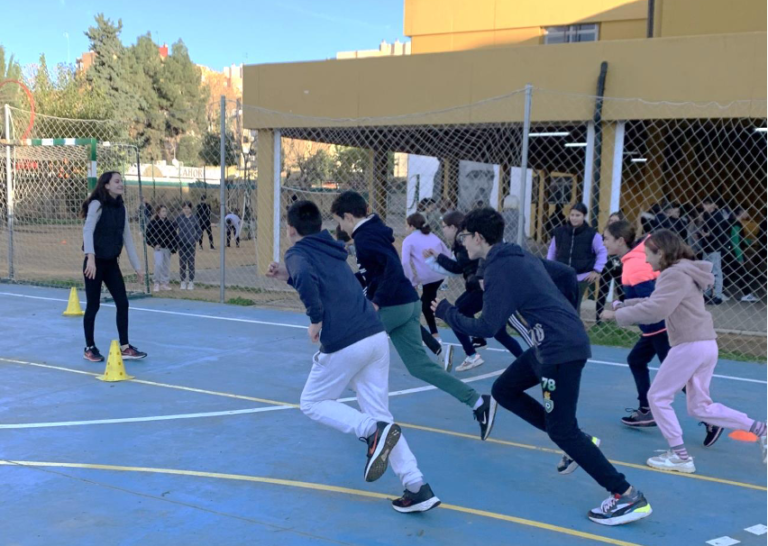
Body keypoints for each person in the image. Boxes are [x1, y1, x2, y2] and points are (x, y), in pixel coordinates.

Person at [433, 208, 652, 526]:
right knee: (504, 390)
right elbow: (563, 274)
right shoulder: (514, 256)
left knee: (563, 429)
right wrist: (564, 313)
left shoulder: (500, 269)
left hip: (559, 350)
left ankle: (627, 495)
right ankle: (580, 442)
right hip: (550, 344)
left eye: (464, 235)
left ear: (478, 237)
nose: (461, 241)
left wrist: (446, 312)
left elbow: (486, 326)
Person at [266, 201, 440, 513]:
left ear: (290, 229)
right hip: (374, 338)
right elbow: (322, 281)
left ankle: (369, 431)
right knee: (381, 414)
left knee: (313, 403)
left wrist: (315, 319)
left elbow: (306, 277)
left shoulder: (297, 252)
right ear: (320, 224)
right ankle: (417, 486)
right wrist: (286, 276)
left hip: (346, 341)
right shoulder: (332, 249)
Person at [331, 191, 496, 441]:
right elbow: (374, 272)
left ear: (348, 216)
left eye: (339, 221)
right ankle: (477, 402)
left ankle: (374, 427)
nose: (340, 227)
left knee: (351, 350)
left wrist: (376, 301)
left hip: (393, 305)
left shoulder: (364, 237)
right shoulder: (373, 233)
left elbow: (390, 269)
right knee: (419, 366)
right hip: (407, 303)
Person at [602, 230, 767, 472]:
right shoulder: (682, 271)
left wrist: (617, 315)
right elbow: (657, 300)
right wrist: (624, 304)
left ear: (662, 253)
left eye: (649, 255)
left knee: (657, 397)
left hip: (690, 345)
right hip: (704, 343)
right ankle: (762, 429)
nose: (646, 261)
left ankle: (680, 456)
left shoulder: (673, 274)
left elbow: (657, 309)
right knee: (700, 407)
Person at [424, 210, 524, 372]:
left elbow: (458, 267)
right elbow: (459, 267)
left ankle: (472, 354)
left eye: (444, 227)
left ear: (453, 227)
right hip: (479, 287)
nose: (442, 230)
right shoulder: (460, 244)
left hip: (481, 287)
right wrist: (437, 257)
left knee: (455, 312)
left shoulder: (465, 243)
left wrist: (437, 258)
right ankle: (524, 360)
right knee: (498, 331)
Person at [81, 171, 147, 363]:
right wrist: (90, 259)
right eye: (117, 181)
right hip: (94, 263)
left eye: (121, 181)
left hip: (110, 263)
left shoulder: (121, 208)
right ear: (106, 185)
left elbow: (127, 238)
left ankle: (125, 347)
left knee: (123, 302)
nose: (121, 184)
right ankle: (90, 347)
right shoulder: (97, 205)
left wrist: (138, 267)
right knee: (93, 305)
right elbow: (87, 231)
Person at [547, 202, 608, 311]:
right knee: (560, 304)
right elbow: (552, 252)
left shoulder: (592, 234)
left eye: (578, 215)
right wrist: (549, 269)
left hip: (581, 277)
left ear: (584, 216)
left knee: (574, 305)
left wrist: (597, 270)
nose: (574, 218)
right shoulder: (559, 232)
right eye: (572, 215)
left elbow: (602, 252)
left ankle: (574, 326)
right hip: (562, 275)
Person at [401, 213, 449, 344]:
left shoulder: (409, 240)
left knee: (425, 304)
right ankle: (434, 333)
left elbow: (405, 262)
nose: (405, 228)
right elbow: (447, 253)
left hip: (428, 276)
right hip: (439, 274)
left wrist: (411, 280)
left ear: (411, 226)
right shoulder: (432, 235)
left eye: (406, 225)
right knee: (428, 302)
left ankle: (434, 335)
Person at [698, 196, 731, 304]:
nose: (704, 206)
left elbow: (721, 233)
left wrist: (709, 234)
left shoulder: (718, 216)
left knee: (716, 271)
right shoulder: (707, 215)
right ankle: (707, 293)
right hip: (707, 246)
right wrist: (702, 234)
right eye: (704, 204)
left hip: (715, 247)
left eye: (707, 204)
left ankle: (718, 295)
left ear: (714, 205)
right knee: (707, 270)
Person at [595, 211, 625, 325]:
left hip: (620, 267)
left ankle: (622, 318)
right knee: (602, 292)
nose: (612, 223)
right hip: (606, 266)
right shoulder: (604, 236)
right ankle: (598, 319)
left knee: (621, 292)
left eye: (615, 221)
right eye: (611, 221)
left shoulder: (623, 237)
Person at [725, 207, 758, 303]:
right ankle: (747, 294)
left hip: (731, 253)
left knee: (729, 273)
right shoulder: (736, 224)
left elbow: (739, 240)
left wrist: (749, 242)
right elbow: (735, 241)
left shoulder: (735, 224)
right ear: (741, 212)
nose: (748, 213)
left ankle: (718, 291)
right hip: (735, 254)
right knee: (743, 274)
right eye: (746, 211)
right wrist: (740, 257)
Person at [146, 205, 178, 292]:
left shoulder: (169, 223)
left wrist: (173, 248)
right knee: (158, 264)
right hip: (159, 249)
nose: (165, 213)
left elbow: (174, 236)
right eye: (163, 211)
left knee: (166, 266)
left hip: (167, 248)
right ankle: (156, 283)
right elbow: (148, 236)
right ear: (158, 212)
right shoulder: (153, 223)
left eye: (165, 211)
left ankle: (164, 283)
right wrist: (154, 244)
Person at [177, 201, 201, 291]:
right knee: (182, 263)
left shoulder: (194, 218)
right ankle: (183, 281)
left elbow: (199, 230)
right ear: (182, 209)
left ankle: (191, 281)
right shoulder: (179, 218)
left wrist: (195, 239)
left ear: (191, 209)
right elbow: (173, 228)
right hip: (181, 244)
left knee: (191, 263)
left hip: (191, 244)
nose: (186, 210)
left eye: (188, 208)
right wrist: (176, 239)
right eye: (184, 208)